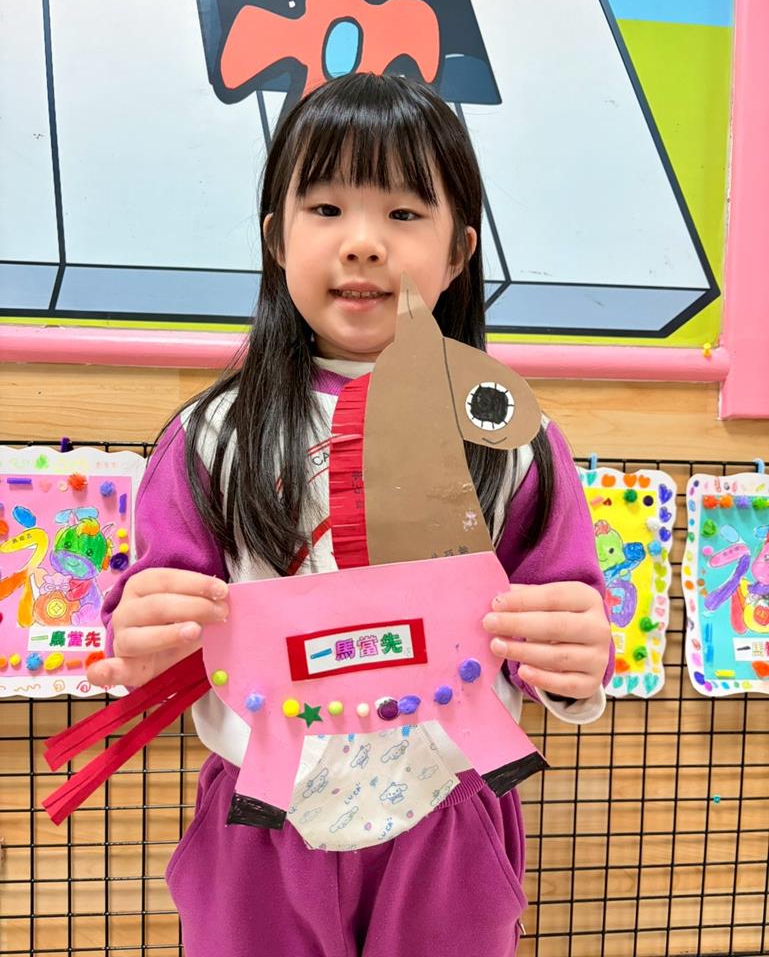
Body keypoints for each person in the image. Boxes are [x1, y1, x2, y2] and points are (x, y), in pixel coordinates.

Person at [86, 72, 612, 957]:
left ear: (458, 252)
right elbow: (155, 619)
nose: (362, 243)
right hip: (259, 823)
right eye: (326, 208)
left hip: (448, 818)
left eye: (403, 213)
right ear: (276, 239)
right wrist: (141, 635)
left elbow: (563, 621)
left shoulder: (511, 435)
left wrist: (573, 660)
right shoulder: (212, 434)